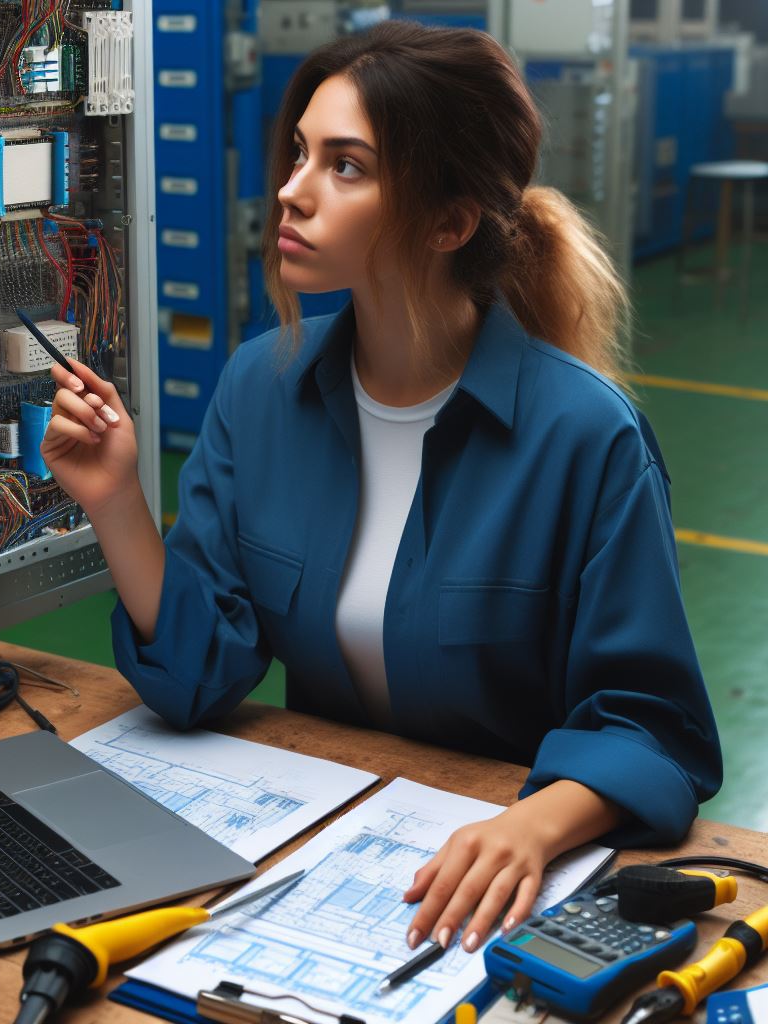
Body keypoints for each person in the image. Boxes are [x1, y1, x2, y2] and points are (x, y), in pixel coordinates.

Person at [41, 22, 721, 959]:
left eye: (345, 166)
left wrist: (531, 828)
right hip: (320, 848)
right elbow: (202, 671)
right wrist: (115, 499)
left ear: (448, 222)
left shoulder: (586, 438)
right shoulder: (259, 387)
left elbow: (654, 727)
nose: (292, 189)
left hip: (483, 880)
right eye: (299, 154)